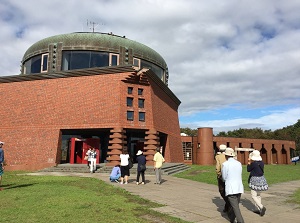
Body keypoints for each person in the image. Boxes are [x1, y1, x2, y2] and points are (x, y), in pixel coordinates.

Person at [222, 147, 244, 223]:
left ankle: (240, 221)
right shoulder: (239, 163)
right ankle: (232, 218)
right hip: (239, 187)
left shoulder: (225, 164)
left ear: (226, 156)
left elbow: (224, 177)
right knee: (235, 205)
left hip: (231, 188)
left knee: (235, 207)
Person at [247, 150, 268, 216]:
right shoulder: (262, 163)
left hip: (255, 179)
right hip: (261, 179)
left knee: (253, 195)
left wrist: (249, 162)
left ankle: (261, 207)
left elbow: (248, 169)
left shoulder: (253, 164)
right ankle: (259, 209)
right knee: (258, 195)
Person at [215, 144, 230, 212]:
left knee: (222, 190)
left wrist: (218, 174)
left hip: (222, 175)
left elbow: (218, 167)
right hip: (230, 175)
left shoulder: (218, 157)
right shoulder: (229, 156)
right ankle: (227, 206)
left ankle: (228, 203)